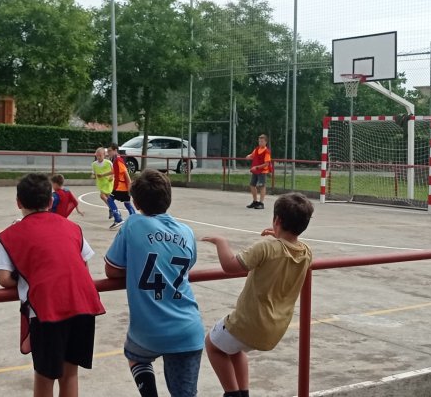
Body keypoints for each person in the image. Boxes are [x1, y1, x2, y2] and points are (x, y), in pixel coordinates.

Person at [0, 173, 105, 397]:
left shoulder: (12, 234)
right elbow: (83, 264)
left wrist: (29, 275)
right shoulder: (72, 228)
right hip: (83, 305)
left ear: (18, 203)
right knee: (70, 374)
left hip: (48, 311)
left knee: (44, 377)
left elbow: (4, 279)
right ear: (51, 201)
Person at [202, 192, 313, 397]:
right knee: (235, 348)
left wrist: (221, 242)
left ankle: (232, 393)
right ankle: (243, 392)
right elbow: (287, 249)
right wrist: (279, 237)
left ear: (277, 220)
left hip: (248, 322)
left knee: (212, 344)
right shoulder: (306, 251)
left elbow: (230, 266)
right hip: (275, 327)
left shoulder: (265, 248)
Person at [104, 169, 203, 397]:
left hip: (148, 331)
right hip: (188, 328)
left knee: (135, 355)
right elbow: (188, 265)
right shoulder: (186, 232)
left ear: (136, 203)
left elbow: (112, 269)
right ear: (168, 198)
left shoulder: (133, 224)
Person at [107, 142, 136, 229]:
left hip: (120, 187)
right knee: (127, 203)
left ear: (115, 150)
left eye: (110, 151)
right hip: (123, 187)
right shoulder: (116, 160)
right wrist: (105, 175)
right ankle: (134, 220)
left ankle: (118, 219)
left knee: (109, 199)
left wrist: (129, 186)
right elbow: (116, 172)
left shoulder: (118, 160)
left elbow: (126, 173)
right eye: (108, 151)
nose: (108, 153)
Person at [244, 135, 271, 210]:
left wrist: (257, 167)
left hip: (262, 171)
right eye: (259, 141)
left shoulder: (267, 152)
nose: (260, 143)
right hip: (255, 170)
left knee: (262, 186)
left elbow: (266, 164)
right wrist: (249, 156)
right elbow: (253, 155)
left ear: (266, 142)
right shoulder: (256, 149)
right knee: (252, 185)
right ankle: (255, 201)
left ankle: (261, 203)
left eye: (262, 141)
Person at [91, 147, 114, 220]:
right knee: (106, 197)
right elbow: (93, 173)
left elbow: (113, 171)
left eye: (100, 155)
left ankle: (112, 209)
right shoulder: (94, 164)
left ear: (104, 155)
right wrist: (93, 176)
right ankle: (112, 208)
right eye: (97, 156)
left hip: (108, 182)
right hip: (101, 183)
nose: (98, 157)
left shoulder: (108, 163)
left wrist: (112, 177)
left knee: (103, 196)